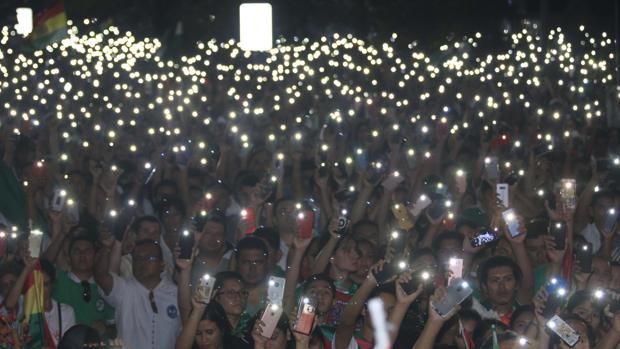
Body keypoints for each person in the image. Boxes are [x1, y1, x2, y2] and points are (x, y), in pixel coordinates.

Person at [95, 239, 181, 348]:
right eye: (137, 258)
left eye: (149, 258)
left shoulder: (175, 293)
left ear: (162, 264)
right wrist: (106, 248)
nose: (142, 262)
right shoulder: (123, 288)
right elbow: (101, 276)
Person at [50, 235, 114, 333]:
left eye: (87, 251)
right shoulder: (57, 281)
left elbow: (115, 327)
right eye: (76, 251)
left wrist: (105, 328)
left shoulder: (104, 285)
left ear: (95, 257)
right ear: (68, 258)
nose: (82, 255)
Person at [5, 258, 76, 346]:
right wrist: (26, 270)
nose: (40, 289)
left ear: (53, 285)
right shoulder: (25, 304)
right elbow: (9, 304)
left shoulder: (66, 312)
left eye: (45, 284)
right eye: (37, 284)